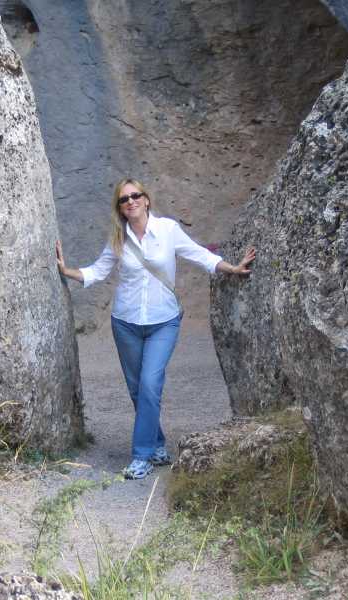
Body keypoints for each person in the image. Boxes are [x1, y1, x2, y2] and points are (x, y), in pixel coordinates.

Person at [55, 178, 255, 479]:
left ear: (147, 200)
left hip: (164, 321)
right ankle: (158, 443)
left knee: (150, 384)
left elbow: (199, 255)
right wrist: (66, 270)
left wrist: (233, 268)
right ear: (120, 208)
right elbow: (98, 271)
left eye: (136, 196)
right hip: (125, 323)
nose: (131, 202)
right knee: (138, 390)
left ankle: (142, 456)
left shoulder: (168, 230)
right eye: (124, 199)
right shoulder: (119, 239)